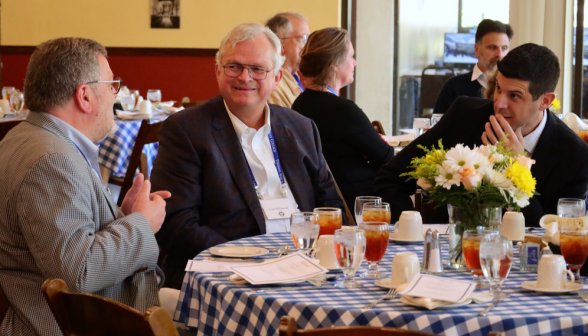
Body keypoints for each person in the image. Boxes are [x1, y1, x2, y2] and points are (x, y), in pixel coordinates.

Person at [150, 22, 346, 289]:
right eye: (234, 66)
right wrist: (255, 259)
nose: (245, 77)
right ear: (218, 71)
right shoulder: (186, 130)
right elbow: (177, 225)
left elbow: (330, 207)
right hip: (226, 275)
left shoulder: (301, 127)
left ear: (277, 77)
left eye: (257, 69)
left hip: (304, 266)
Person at [0, 37, 170, 335]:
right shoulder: (52, 160)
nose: (114, 94)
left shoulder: (24, 137)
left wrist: (123, 216)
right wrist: (142, 224)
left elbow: (65, 238)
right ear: (85, 96)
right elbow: (80, 271)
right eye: (110, 85)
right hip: (77, 325)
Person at [375, 43, 588, 228]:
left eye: (514, 95)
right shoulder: (464, 115)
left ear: (545, 101)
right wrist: (413, 229)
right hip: (448, 253)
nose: (499, 103)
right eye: (498, 88)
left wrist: (515, 167)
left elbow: (552, 236)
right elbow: (390, 178)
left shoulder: (575, 157)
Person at [291, 28, 394, 210]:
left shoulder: (300, 104)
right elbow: (386, 158)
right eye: (351, 56)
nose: (354, 63)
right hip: (358, 205)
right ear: (335, 63)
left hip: (322, 202)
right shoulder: (343, 110)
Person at [434, 19, 513, 114]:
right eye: (492, 47)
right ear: (477, 50)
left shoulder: (514, 89)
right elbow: (437, 125)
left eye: (504, 48)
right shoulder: (453, 87)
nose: (500, 54)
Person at [265, 12, 310, 108]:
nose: (308, 46)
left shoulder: (294, 77)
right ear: (280, 45)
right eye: (303, 39)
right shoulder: (274, 85)